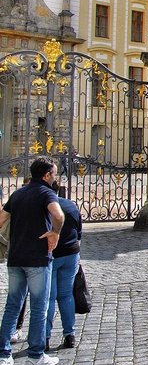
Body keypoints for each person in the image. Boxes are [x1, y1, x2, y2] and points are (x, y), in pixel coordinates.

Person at [0, 156, 65, 365]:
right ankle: (36, 355)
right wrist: (55, 232)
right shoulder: (46, 193)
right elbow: (59, 215)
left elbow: (1, 218)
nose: (55, 177)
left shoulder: (18, 194)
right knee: (39, 306)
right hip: (37, 258)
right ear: (47, 175)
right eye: (54, 173)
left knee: (12, 305)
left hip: (16, 256)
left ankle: (4, 354)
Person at [44, 175, 82, 351]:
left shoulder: (45, 207)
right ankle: (70, 335)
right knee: (66, 295)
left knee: (50, 297)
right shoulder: (70, 205)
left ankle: (45, 337)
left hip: (51, 254)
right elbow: (79, 231)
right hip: (71, 253)